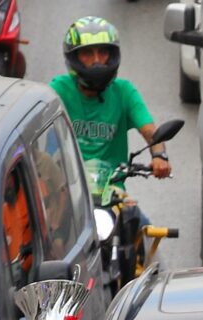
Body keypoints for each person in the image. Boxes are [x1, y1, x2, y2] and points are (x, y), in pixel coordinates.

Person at [53, 19, 170, 195]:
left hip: (112, 191)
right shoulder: (58, 91)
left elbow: (150, 132)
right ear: (73, 58)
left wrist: (159, 156)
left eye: (103, 52)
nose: (97, 60)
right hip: (66, 192)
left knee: (140, 221)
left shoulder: (124, 91)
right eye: (87, 53)